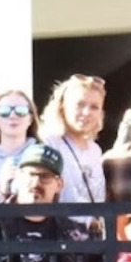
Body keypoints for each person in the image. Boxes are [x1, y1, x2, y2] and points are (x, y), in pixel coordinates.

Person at [39, 75, 108, 210]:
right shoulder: (48, 142)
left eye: (94, 107)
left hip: (93, 229)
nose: (87, 112)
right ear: (62, 106)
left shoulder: (95, 150)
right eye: (80, 104)